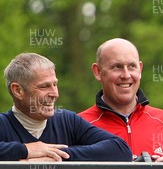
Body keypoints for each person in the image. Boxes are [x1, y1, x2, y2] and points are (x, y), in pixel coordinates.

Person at [79, 38, 163, 162]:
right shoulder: (80, 126)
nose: (126, 75)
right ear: (98, 72)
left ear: (140, 69)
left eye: (132, 66)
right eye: (117, 67)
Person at [0, 53, 131, 161]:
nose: (55, 94)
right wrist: (25, 150)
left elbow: (121, 150)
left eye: (55, 84)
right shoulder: (3, 125)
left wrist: (55, 156)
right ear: (18, 91)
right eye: (44, 86)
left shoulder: (67, 121)